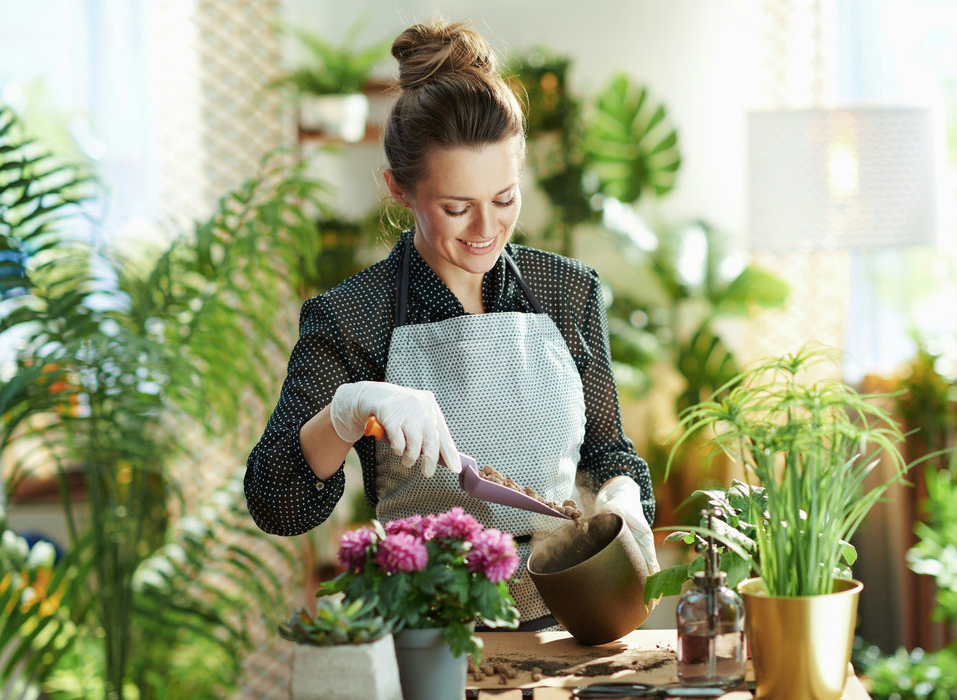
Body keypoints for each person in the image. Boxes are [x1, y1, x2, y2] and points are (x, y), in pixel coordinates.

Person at [244, 17, 659, 629]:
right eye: (457, 208)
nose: (485, 229)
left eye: (505, 199)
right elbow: (275, 500)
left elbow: (606, 452)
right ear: (399, 190)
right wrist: (346, 411)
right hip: (433, 636)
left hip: (567, 626)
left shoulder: (564, 291)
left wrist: (623, 494)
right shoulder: (355, 315)